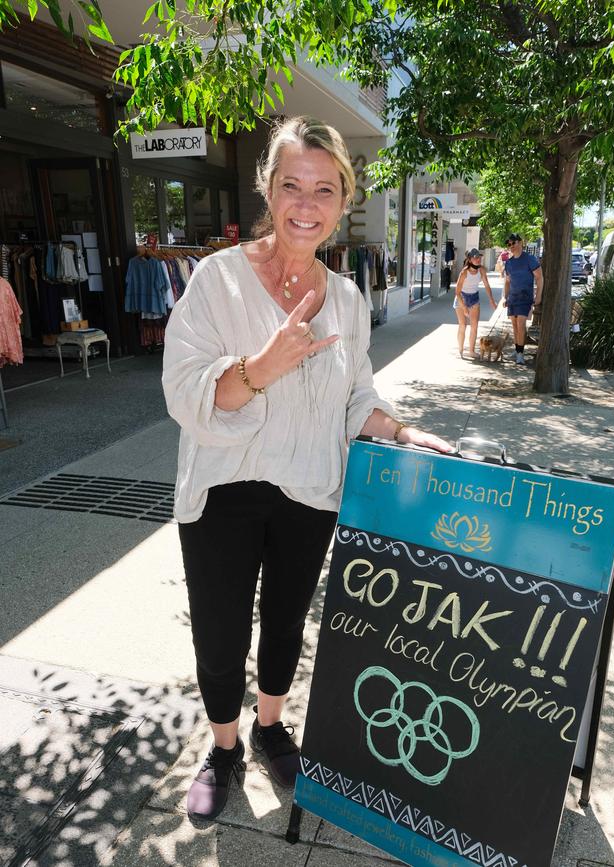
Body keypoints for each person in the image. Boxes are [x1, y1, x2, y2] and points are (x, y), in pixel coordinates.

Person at [161, 116, 452, 822]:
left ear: (342, 199)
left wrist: (405, 431)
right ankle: (224, 745)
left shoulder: (347, 301)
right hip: (223, 489)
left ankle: (268, 727)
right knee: (220, 629)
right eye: (291, 183)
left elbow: (356, 400)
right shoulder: (217, 280)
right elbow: (183, 388)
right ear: (268, 186)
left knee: (287, 620)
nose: (305, 201)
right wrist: (260, 368)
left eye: (323, 188)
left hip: (308, 493)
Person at [502, 233, 543, 364]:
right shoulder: (509, 262)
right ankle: (517, 349)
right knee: (514, 325)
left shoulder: (530, 259)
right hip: (513, 298)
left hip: (525, 297)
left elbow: (539, 278)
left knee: (521, 324)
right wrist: (505, 297)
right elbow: (507, 282)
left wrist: (538, 295)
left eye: (513, 243)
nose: (511, 246)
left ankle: (520, 354)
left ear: (520, 243)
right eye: (508, 244)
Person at [453, 248, 497, 359]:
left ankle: (471, 351)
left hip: (474, 298)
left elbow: (487, 286)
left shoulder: (481, 270)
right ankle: (461, 349)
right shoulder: (464, 272)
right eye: (475, 257)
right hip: (461, 298)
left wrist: (491, 300)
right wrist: (463, 307)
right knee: (463, 325)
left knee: (474, 326)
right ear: (469, 259)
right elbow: (457, 292)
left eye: (479, 257)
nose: (478, 259)